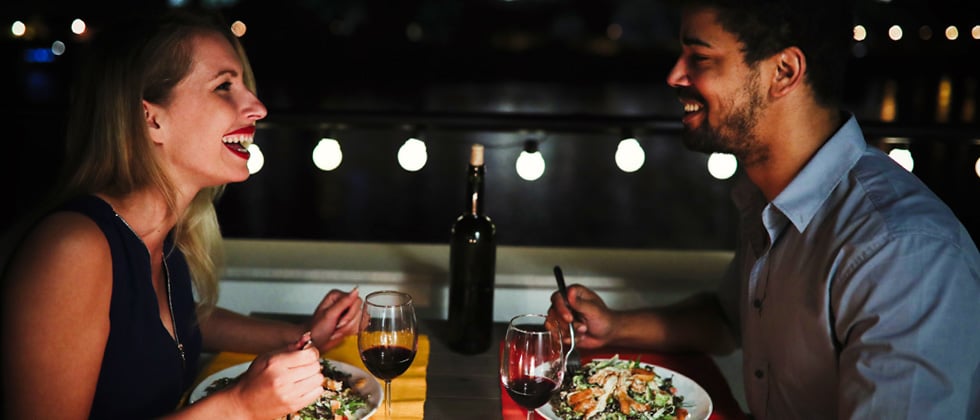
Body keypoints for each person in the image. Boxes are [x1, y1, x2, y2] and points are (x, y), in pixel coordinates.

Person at [549, 0, 980, 418]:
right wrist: (612, 325)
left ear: (783, 72)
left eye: (699, 56)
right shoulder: (770, 197)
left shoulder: (904, 254)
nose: (675, 75)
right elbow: (724, 319)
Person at [1, 8, 363, 419]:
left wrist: (300, 335)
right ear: (151, 119)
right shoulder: (72, 250)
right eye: (224, 86)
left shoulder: (162, 235)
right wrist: (237, 408)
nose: (258, 107)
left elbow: (176, 325)